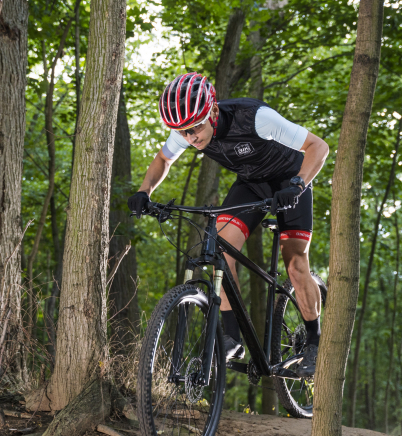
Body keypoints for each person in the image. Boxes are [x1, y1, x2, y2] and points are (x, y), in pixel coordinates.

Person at [128, 72, 329, 378]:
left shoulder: (255, 118)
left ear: (211, 111)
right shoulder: (187, 128)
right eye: (183, 132)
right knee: (223, 250)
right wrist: (145, 191)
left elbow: (318, 146)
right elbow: (162, 160)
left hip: (291, 181)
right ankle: (232, 337)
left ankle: (315, 340)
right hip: (251, 184)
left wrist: (298, 184)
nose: (191, 138)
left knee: (296, 264)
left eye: (195, 128)